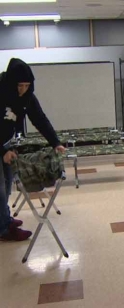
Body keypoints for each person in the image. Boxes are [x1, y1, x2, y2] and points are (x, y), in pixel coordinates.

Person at [0, 58, 65, 241]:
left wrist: (55, 142)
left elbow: (40, 119)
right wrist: (2, 152)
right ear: (12, 83)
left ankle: (4, 218)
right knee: (0, 187)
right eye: (19, 86)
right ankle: (3, 229)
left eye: (27, 85)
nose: (23, 90)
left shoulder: (27, 96)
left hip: (6, 142)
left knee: (7, 182)